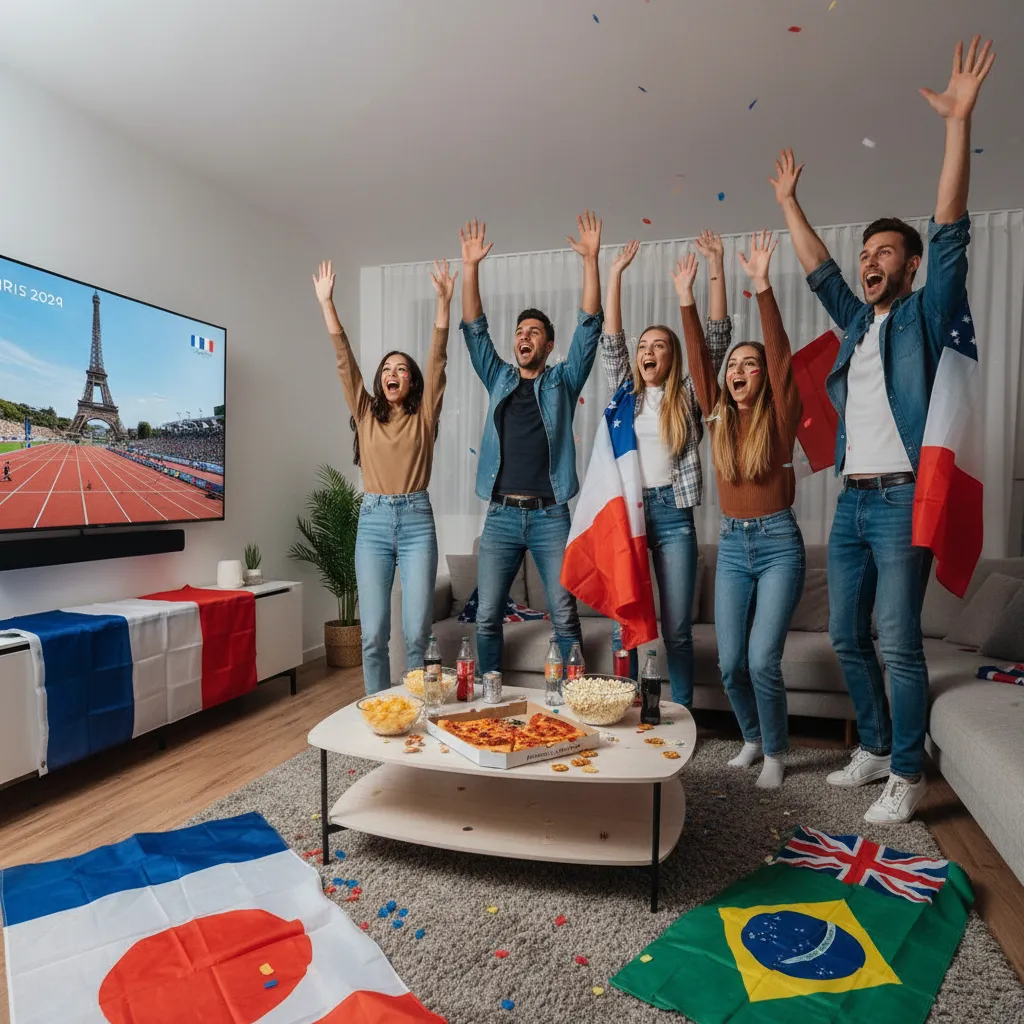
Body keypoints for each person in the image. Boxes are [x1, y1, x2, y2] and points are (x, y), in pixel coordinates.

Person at [771, 34, 995, 822]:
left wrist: (955, 124)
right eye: (866, 252)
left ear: (907, 266)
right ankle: (872, 745)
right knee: (845, 634)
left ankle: (908, 771)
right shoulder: (859, 324)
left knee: (897, 640)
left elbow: (951, 229)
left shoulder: (924, 317)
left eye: (885, 252)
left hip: (903, 501)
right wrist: (790, 205)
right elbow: (818, 271)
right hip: (854, 502)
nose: (869, 261)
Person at [677, 231, 804, 789]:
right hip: (731, 546)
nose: (739, 370)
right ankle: (751, 738)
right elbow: (702, 365)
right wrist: (687, 298)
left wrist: (761, 287)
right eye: (734, 365)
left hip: (779, 545)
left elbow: (780, 358)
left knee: (761, 661)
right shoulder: (717, 420)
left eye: (749, 365)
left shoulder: (780, 419)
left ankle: (776, 752)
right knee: (729, 664)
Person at [459, 213, 603, 673]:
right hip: (500, 514)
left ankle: (577, 696)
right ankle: (487, 700)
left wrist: (591, 260)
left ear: (548, 343)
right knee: (485, 617)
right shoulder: (499, 377)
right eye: (520, 332)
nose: (523, 337)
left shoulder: (562, 381)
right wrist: (471, 268)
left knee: (564, 614)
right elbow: (474, 329)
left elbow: (589, 329)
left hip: (549, 516)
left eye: (533, 332)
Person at [313, 257, 457, 695]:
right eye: (388, 370)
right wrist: (327, 304)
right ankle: (379, 714)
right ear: (379, 380)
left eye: (403, 371)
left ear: (413, 383)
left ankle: (415, 711)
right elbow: (344, 360)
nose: (395, 374)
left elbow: (437, 359)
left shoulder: (425, 415)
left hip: (416, 521)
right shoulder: (364, 411)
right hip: (373, 522)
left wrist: (443, 304)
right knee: (374, 635)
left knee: (417, 635)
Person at [601, 232, 732, 707]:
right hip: (630, 516)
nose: (648, 350)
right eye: (644, 345)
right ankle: (624, 705)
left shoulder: (689, 395)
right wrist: (614, 274)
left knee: (676, 627)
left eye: (660, 345)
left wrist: (712, 272)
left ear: (672, 355)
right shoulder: (624, 395)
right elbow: (611, 341)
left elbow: (715, 341)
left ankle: (679, 715)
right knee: (629, 622)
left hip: (674, 514)